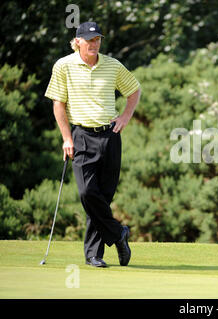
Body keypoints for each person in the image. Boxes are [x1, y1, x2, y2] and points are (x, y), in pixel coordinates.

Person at [45, 22, 141, 268]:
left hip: (109, 136)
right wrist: (67, 138)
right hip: (81, 137)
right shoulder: (63, 66)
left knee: (102, 197)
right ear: (77, 41)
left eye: (97, 39)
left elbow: (133, 90)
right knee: (88, 193)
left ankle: (93, 255)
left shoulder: (112, 65)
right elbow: (58, 104)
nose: (94, 44)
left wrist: (125, 117)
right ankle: (119, 234)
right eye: (89, 40)